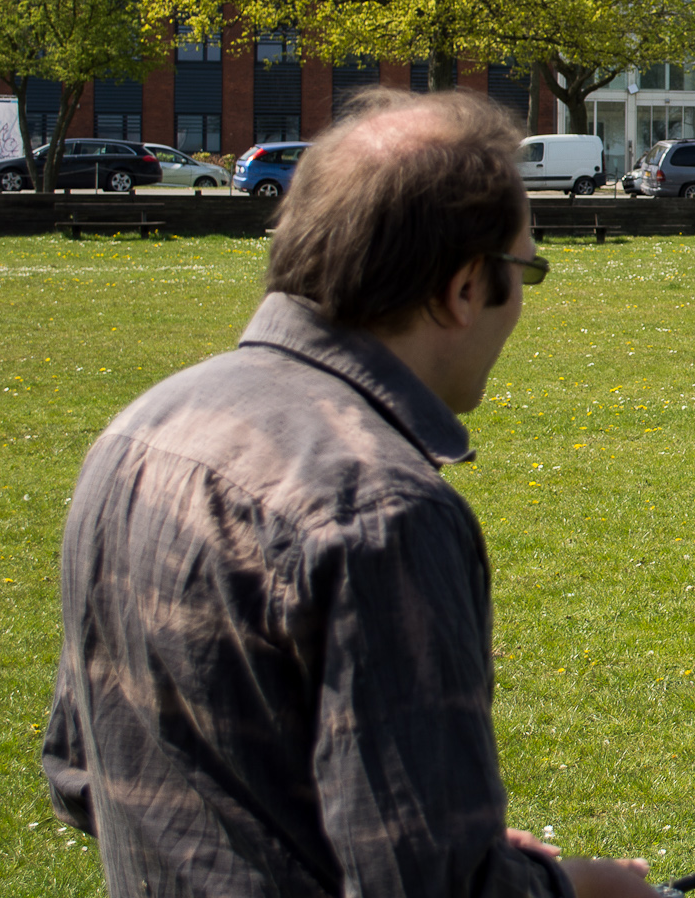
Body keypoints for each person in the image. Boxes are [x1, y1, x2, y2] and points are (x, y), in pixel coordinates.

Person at [42, 89, 661, 898]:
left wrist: (441, 839)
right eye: (525, 270)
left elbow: (83, 773)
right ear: (466, 287)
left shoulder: (141, 430)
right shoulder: (381, 512)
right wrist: (580, 888)